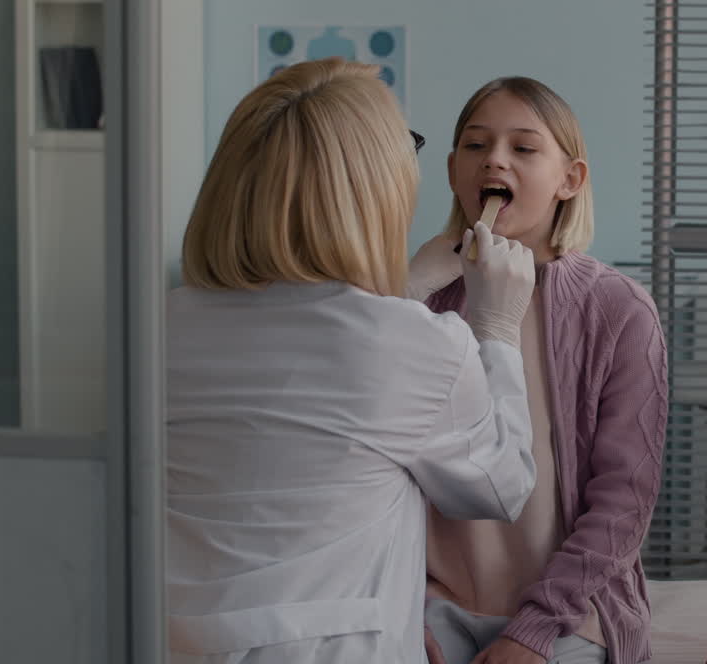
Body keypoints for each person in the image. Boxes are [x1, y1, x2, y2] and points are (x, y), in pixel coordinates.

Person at [166, 57, 539, 664]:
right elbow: (501, 487)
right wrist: (495, 329)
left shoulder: (164, 326)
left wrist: (403, 293)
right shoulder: (417, 343)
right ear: (374, 192)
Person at [408, 76, 669, 664]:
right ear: (453, 170)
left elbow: (624, 500)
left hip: (571, 615)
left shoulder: (619, 310)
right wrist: (401, 608)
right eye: (476, 146)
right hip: (432, 605)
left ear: (569, 180)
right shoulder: (421, 300)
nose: (494, 160)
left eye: (523, 148)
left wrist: (533, 631)